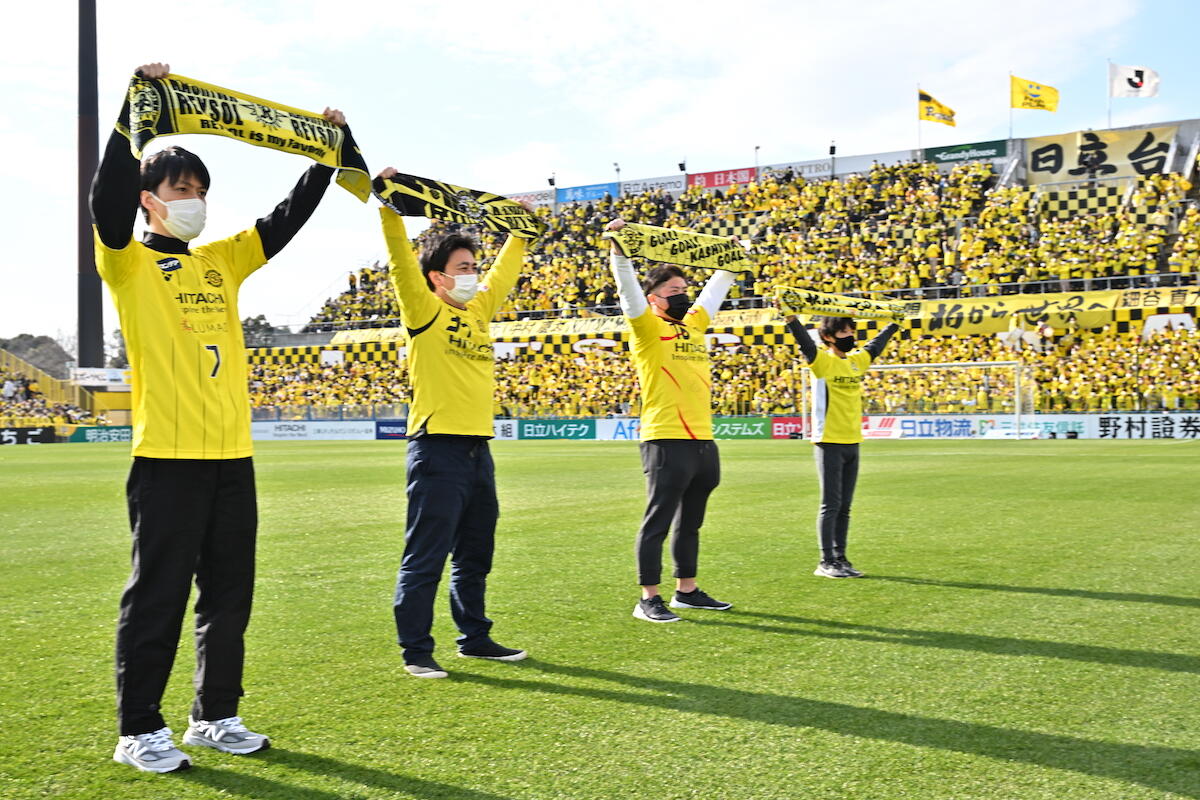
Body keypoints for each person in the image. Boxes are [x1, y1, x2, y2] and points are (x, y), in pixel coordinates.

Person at [93, 62, 347, 773]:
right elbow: (104, 198)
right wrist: (135, 114)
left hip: (233, 458)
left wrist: (324, 155)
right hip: (167, 461)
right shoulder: (126, 263)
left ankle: (215, 715)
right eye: (182, 190)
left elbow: (283, 221)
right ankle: (139, 729)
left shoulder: (220, 263)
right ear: (149, 200)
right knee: (159, 598)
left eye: (201, 191)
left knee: (229, 597)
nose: (195, 201)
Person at [377, 167, 533, 678]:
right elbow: (401, 264)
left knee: (475, 553)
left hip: (476, 451)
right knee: (426, 556)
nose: (473, 274)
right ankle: (416, 651)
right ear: (437, 278)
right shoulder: (423, 310)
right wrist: (390, 209)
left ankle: (475, 638)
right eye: (463, 267)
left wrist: (520, 230)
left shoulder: (479, 311)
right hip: (436, 449)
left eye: (474, 266)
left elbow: (505, 272)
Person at [605, 218, 737, 623]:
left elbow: (715, 290)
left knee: (691, 522)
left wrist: (731, 259)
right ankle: (648, 598)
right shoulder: (646, 327)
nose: (682, 296)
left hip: (702, 438)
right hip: (664, 437)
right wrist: (619, 252)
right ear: (655, 299)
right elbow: (628, 292)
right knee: (658, 521)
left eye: (684, 289)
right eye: (673, 292)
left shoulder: (694, 324)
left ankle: (687, 591)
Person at [783, 314, 899, 578]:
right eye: (843, 332)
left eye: (851, 331)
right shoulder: (822, 361)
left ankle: (841, 557)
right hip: (829, 442)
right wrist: (791, 320)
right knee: (831, 504)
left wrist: (894, 324)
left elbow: (876, 345)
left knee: (845, 506)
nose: (850, 336)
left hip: (852, 441)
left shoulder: (857, 361)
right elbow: (805, 343)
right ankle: (826, 561)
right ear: (828, 337)